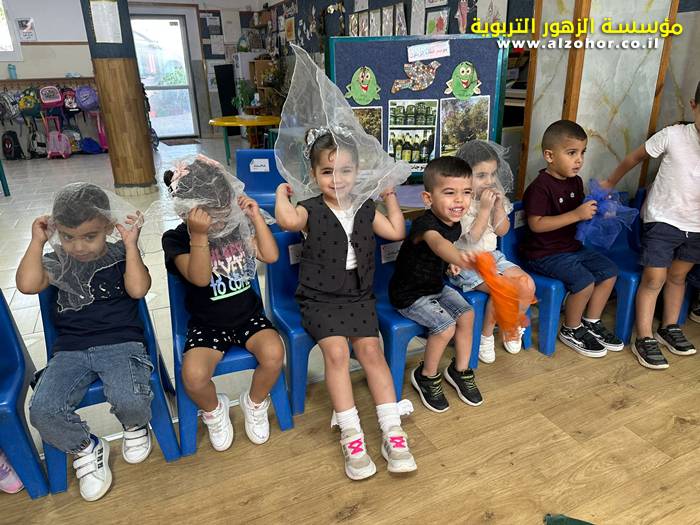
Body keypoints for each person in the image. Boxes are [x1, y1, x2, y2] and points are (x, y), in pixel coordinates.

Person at [275, 128, 417, 480]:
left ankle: (392, 429)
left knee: (371, 351)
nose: (336, 179)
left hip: (357, 294)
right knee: (337, 353)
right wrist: (281, 193)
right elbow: (287, 221)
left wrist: (390, 196)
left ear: (357, 172)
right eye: (327, 171)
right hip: (319, 297)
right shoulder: (309, 208)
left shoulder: (366, 206)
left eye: (345, 171)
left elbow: (396, 232)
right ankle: (351, 434)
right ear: (313, 175)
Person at [17, 183, 152, 502]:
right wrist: (37, 242)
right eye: (67, 237)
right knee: (42, 410)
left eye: (89, 236)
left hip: (121, 343)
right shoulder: (56, 260)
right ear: (57, 231)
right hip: (70, 351)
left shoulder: (120, 254)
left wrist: (131, 245)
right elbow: (26, 285)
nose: (78, 247)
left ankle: (135, 426)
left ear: (107, 226)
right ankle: (86, 447)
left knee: (132, 400)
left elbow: (138, 290)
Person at [162, 156, 284, 451]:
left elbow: (270, 256)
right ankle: (214, 411)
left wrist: (255, 218)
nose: (219, 222)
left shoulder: (235, 228)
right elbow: (200, 277)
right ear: (186, 212)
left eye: (223, 211)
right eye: (211, 216)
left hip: (248, 317)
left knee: (274, 354)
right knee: (193, 377)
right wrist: (199, 235)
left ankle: (254, 402)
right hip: (207, 325)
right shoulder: (176, 239)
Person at [601, 81, 700, 368]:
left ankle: (669, 327)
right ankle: (643, 337)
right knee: (654, 278)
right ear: (693, 106)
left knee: (678, 277)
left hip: (695, 226)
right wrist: (610, 182)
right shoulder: (673, 136)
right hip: (662, 220)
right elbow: (635, 157)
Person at [523, 120, 623, 358]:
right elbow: (536, 224)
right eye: (571, 153)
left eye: (582, 153)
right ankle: (571, 328)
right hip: (544, 253)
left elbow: (580, 212)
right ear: (549, 155)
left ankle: (591, 321)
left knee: (609, 271)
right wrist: (576, 214)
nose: (579, 160)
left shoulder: (576, 182)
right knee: (584, 281)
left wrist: (599, 208)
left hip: (572, 247)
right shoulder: (540, 187)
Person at [389, 156, 481, 413]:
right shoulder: (425, 224)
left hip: (435, 286)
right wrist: (459, 258)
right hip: (409, 294)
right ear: (428, 198)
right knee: (445, 327)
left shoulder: (455, 223)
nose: (459, 200)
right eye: (450, 193)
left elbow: (443, 250)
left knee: (467, 314)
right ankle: (426, 376)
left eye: (466, 192)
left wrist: (450, 263)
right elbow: (438, 244)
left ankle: (459, 370)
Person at [449, 140, 536, 363]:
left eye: (492, 174)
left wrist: (497, 208)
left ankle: (511, 326)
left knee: (527, 284)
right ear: (463, 177)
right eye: (481, 175)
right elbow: (471, 238)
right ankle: (485, 336)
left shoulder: (496, 199)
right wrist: (484, 210)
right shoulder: (460, 204)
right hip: (466, 262)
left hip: (494, 258)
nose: (489, 181)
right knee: (503, 289)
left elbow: (502, 231)